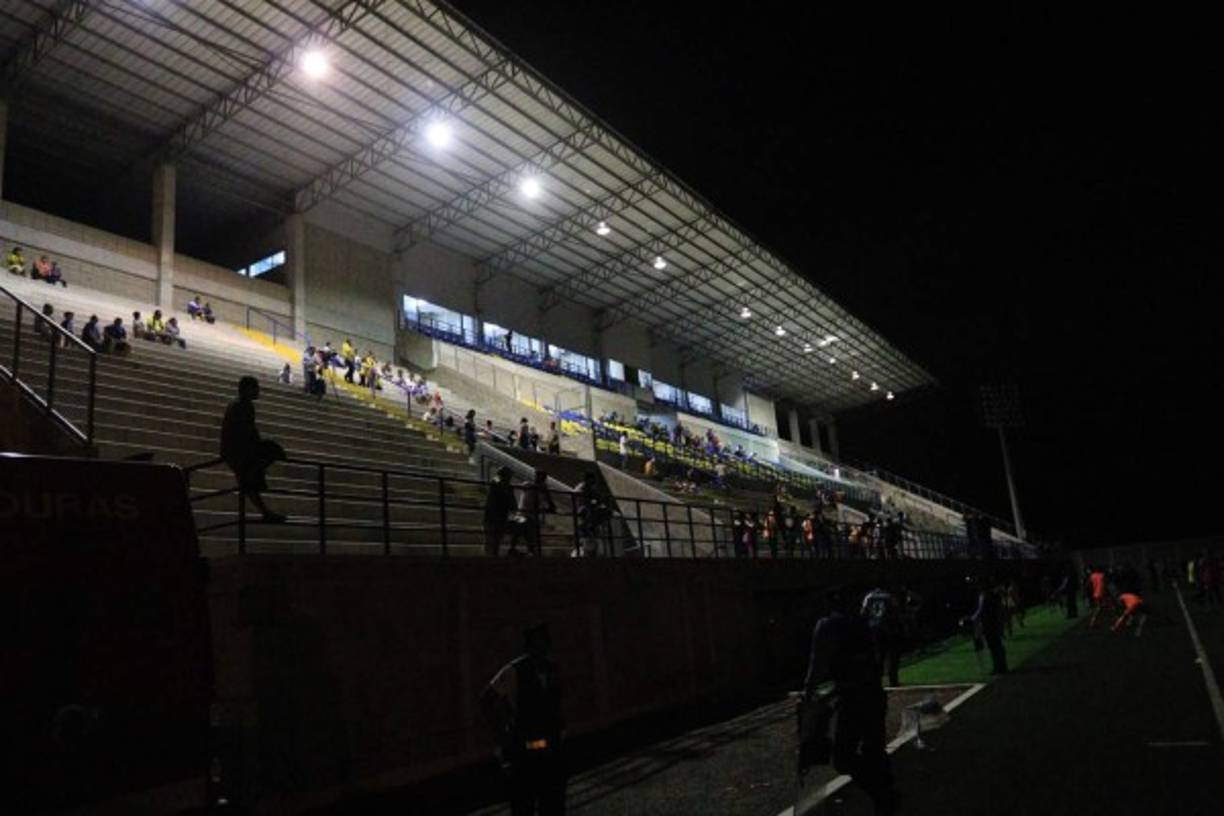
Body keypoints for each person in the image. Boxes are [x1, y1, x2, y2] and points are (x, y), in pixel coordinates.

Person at [803, 589, 896, 816]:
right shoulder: (864, 625)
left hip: (854, 699)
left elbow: (818, 665)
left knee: (844, 758)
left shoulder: (827, 626)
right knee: (874, 750)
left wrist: (810, 692)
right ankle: (884, 796)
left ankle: (881, 793)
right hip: (873, 693)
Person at [480, 623, 566, 816]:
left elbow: (556, 705)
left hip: (551, 748)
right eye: (537, 643)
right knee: (524, 804)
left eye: (544, 642)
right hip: (525, 750)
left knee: (552, 804)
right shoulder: (514, 671)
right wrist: (503, 736)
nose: (542, 648)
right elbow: (486, 700)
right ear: (528, 646)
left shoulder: (552, 669)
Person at [219, 376, 286, 524]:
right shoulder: (243, 406)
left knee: (249, 483)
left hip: (234, 449)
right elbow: (248, 432)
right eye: (255, 387)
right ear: (247, 389)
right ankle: (254, 474)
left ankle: (266, 511)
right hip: (238, 450)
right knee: (272, 452)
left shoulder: (239, 404)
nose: (258, 391)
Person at [862, 586, 903, 687]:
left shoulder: (869, 597)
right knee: (892, 655)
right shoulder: (888, 596)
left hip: (874, 628)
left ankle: (877, 680)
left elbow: (863, 612)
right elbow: (895, 611)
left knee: (879, 656)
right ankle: (893, 680)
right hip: (888, 628)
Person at [511, 470, 556, 557]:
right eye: (539, 477)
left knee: (531, 530)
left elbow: (551, 505)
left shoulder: (543, 491)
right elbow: (525, 486)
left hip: (532, 516)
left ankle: (531, 551)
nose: (540, 479)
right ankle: (514, 549)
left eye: (542, 478)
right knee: (523, 526)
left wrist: (546, 493)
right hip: (523, 514)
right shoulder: (529, 485)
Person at [972, 578, 1007, 674]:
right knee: (997, 645)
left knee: (994, 646)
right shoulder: (994, 595)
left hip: (989, 623)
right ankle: (1002, 666)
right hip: (994, 622)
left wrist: (973, 618)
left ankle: (998, 667)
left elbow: (981, 610)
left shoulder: (985, 596)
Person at [483, 466, 517, 557]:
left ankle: (493, 557)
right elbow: (496, 480)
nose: (509, 478)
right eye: (508, 476)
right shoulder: (497, 483)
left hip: (500, 516)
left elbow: (513, 504)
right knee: (491, 540)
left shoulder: (509, 488)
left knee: (496, 540)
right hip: (493, 516)